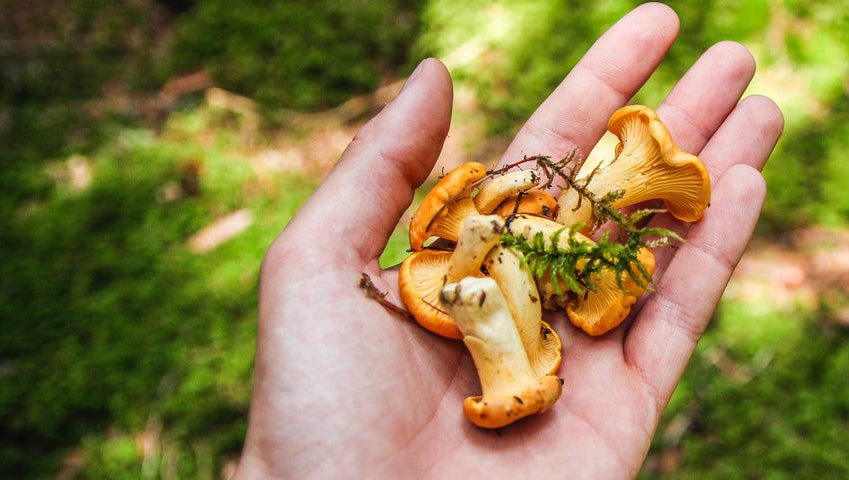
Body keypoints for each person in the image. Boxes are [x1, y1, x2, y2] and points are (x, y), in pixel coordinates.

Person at [232, 3, 783, 479]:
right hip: (500, 337)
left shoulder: (538, 227)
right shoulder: (474, 259)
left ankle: (585, 253)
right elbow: (483, 235)